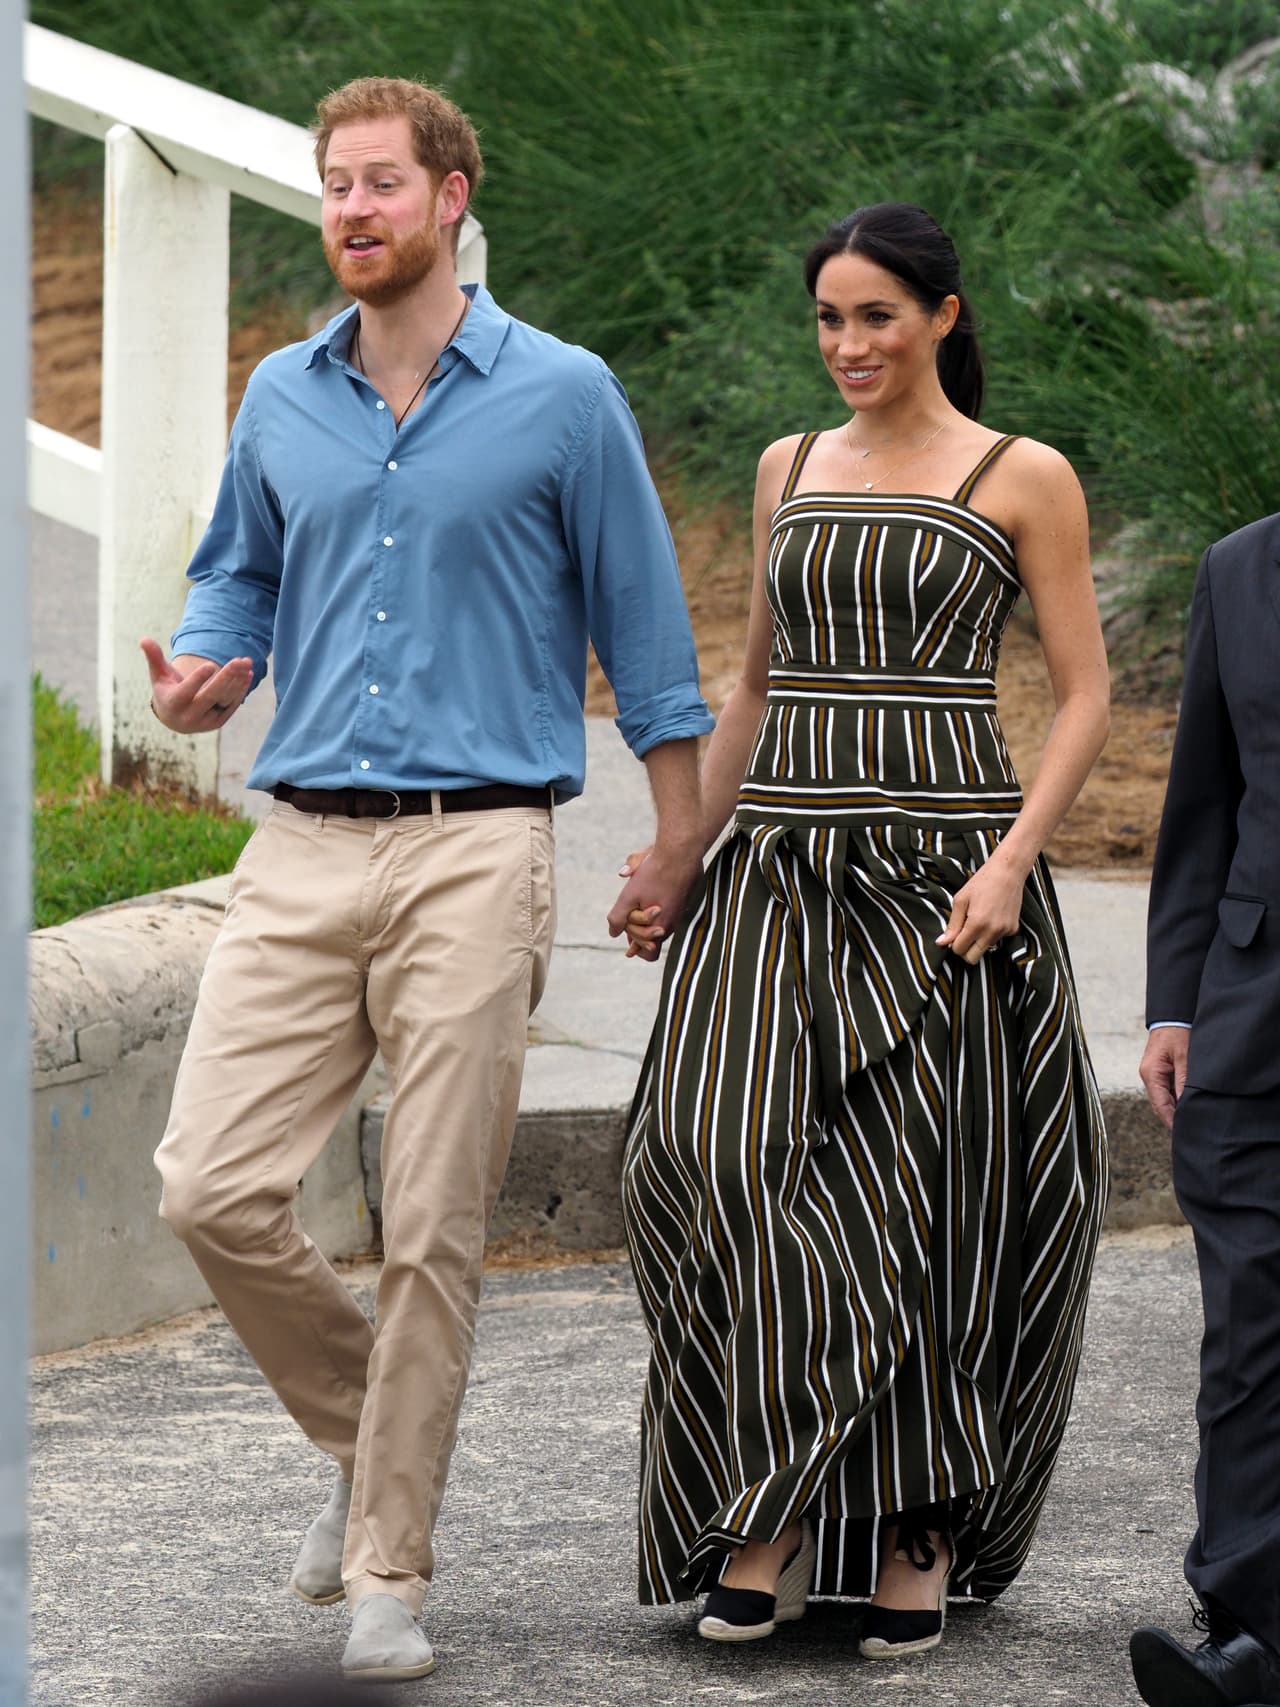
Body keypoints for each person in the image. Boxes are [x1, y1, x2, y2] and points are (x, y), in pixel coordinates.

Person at [144, 76, 712, 1684]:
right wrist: (204, 671)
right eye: (333, 186)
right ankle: (363, 1438)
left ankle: (391, 1561)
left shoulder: (564, 393)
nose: (352, 211)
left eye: (383, 182)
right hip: (302, 841)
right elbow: (234, 576)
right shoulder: (282, 393)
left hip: (481, 842)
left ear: (454, 195)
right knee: (212, 1186)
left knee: (433, 1223)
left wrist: (672, 836)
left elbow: (648, 636)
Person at [618, 202, 1110, 1656]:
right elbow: (758, 685)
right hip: (777, 865)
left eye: (877, 317)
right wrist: (675, 855)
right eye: (829, 319)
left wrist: (1017, 857)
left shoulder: (1025, 476)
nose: (848, 346)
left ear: (944, 317)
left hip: (946, 874)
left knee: (930, 1200)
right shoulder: (789, 467)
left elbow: (1082, 693)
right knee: (707, 1153)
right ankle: (764, 1492)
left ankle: (912, 1524)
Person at [1129, 512, 1280, 1707]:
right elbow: (1201, 803)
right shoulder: (1235, 567)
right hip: (1249, 1007)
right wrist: (1172, 1003)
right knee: (1247, 1327)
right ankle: (1244, 1622)